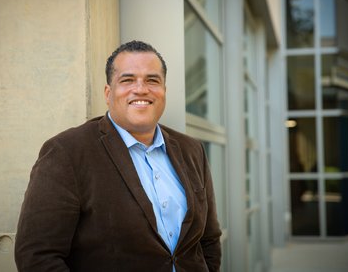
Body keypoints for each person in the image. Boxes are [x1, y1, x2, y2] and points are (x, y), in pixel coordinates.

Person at [14, 40, 222, 271]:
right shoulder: (67, 152)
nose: (141, 89)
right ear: (108, 92)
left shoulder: (191, 150)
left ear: (164, 91)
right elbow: (37, 256)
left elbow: (209, 239)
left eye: (152, 80)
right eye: (127, 80)